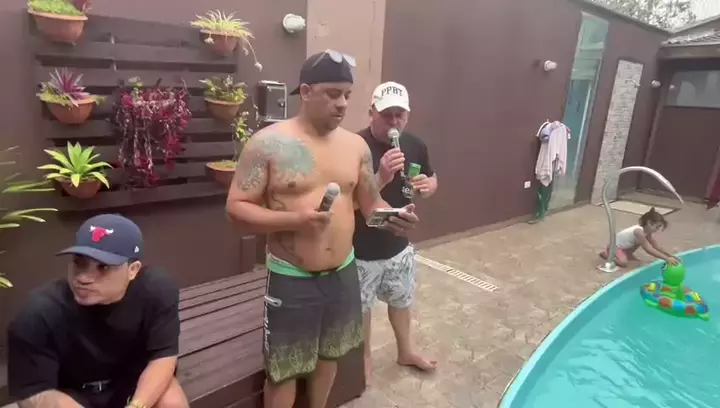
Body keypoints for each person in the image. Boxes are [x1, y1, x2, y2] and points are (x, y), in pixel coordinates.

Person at [225, 51, 420, 408]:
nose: (342, 103)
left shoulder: (355, 147)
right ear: (305, 91)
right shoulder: (268, 144)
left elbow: (370, 203)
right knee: (285, 370)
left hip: (343, 272)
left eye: (347, 94)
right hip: (292, 276)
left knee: (330, 355)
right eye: (332, 93)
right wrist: (296, 220)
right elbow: (236, 210)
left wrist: (394, 218)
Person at [7, 214, 188, 408]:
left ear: (133, 270)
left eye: (103, 267)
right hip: (69, 394)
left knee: (171, 403)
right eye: (79, 263)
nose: (83, 278)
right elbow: (33, 392)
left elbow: (163, 356)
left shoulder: (155, 291)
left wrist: (137, 405)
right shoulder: (39, 313)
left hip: (131, 383)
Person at [353, 81, 439, 382]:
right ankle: (364, 358)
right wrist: (381, 175)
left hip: (399, 244)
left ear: (408, 115)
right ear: (371, 113)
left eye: (399, 115)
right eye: (386, 114)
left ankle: (406, 351)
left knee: (401, 300)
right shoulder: (355, 146)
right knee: (362, 309)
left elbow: (432, 177)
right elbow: (348, 199)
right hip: (361, 247)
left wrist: (428, 186)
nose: (393, 122)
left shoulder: (415, 144)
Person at [599, 207, 681, 267]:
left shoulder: (647, 232)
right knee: (623, 263)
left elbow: (656, 247)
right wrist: (666, 259)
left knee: (641, 242)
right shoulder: (638, 231)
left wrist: (670, 255)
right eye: (657, 227)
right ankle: (607, 255)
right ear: (649, 223)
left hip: (625, 246)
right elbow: (649, 249)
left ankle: (626, 254)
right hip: (615, 246)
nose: (658, 230)